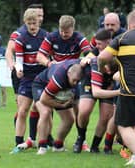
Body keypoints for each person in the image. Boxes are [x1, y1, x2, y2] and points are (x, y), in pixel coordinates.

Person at [97, 9, 135, 168]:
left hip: (130, 92)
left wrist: (103, 68)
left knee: (125, 126)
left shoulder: (122, 38)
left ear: (128, 25)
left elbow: (102, 57)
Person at [36, 14, 91, 151]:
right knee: (44, 110)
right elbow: (39, 56)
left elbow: (90, 53)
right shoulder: (52, 37)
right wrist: (49, 63)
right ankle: (41, 143)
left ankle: (81, 140)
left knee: (79, 111)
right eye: (61, 30)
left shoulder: (79, 38)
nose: (63, 34)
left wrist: (84, 60)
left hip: (73, 77)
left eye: (67, 31)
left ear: (73, 28)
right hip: (56, 76)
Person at [73, 29, 119, 153]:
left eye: (99, 43)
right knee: (84, 110)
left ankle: (95, 146)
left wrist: (113, 84)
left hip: (108, 83)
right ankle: (80, 137)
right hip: (90, 80)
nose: (95, 46)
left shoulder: (117, 51)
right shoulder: (95, 56)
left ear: (108, 42)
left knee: (105, 116)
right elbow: (96, 92)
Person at [10, 8, 47, 154]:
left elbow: (49, 56)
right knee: (22, 110)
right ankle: (18, 144)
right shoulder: (21, 39)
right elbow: (19, 60)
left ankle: (39, 140)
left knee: (42, 109)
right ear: (25, 22)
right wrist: (18, 69)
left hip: (41, 76)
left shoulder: (46, 36)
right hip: (26, 78)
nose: (32, 26)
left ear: (39, 21)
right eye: (29, 23)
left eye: (35, 23)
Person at [32, 59, 83, 155]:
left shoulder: (78, 73)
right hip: (41, 85)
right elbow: (44, 99)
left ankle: (58, 145)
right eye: (74, 80)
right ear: (68, 74)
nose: (75, 83)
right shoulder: (58, 79)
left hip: (59, 90)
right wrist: (62, 105)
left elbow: (77, 109)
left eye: (78, 81)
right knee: (45, 112)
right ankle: (42, 146)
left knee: (69, 119)